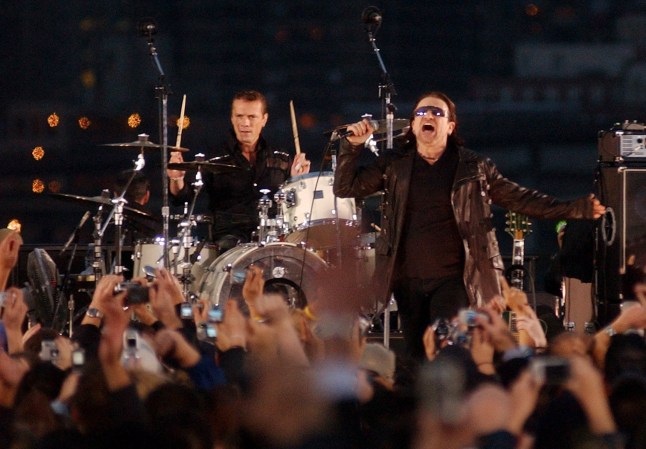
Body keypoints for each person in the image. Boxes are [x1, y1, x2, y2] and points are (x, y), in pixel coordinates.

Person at [333, 91, 606, 360]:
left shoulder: (473, 167)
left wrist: (575, 208)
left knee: (448, 348)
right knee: (416, 356)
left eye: (437, 112)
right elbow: (346, 187)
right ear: (414, 126)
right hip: (407, 280)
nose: (428, 115)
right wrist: (352, 146)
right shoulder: (394, 164)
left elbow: (521, 199)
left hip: (456, 279)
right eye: (421, 112)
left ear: (450, 126)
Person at [167, 90, 311, 252]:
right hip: (228, 240)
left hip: (273, 239)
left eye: (251, 117)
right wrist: (176, 179)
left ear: (264, 119)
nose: (245, 123)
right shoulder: (215, 158)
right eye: (240, 116)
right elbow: (183, 198)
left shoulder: (280, 158)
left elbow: (293, 204)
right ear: (232, 118)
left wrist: (298, 181)